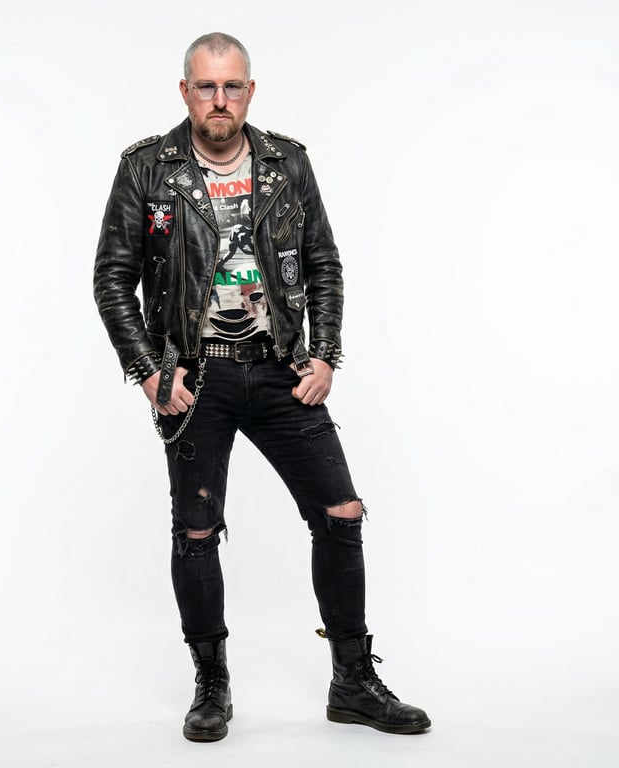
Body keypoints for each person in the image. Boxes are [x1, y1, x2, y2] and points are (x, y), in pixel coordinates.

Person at [93, 32, 431, 742]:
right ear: (185, 91)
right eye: (207, 86)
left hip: (281, 369)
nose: (220, 100)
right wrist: (150, 373)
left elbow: (323, 260)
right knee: (196, 531)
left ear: (250, 91)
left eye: (233, 86)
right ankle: (211, 684)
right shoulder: (146, 168)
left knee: (340, 512)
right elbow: (112, 277)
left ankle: (353, 681)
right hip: (196, 374)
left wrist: (325, 355)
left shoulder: (287, 162)